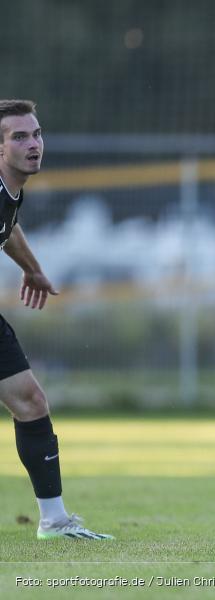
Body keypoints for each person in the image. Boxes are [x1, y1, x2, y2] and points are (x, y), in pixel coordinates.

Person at [0, 100, 112, 540]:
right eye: (19, 136)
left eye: (37, 134)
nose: (33, 144)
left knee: (29, 400)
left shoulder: (10, 191)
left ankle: (55, 521)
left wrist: (32, 268)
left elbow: (6, 229)